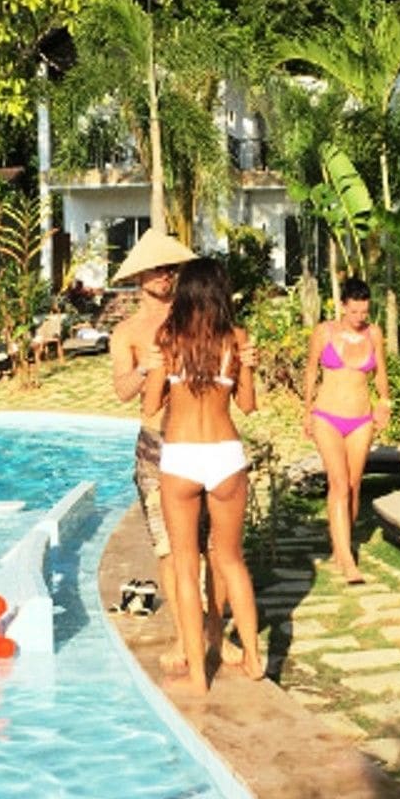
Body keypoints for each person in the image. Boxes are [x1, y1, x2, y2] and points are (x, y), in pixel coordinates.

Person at [142, 259, 267, 689]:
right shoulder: (237, 339)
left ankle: (198, 675)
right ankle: (253, 657)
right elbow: (248, 406)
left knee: (183, 565)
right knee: (231, 560)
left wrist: (155, 367)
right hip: (225, 455)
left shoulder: (169, 340)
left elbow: (149, 407)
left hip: (181, 457)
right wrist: (247, 365)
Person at [108, 229, 209, 643]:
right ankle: (187, 636)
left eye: (170, 268)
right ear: (140, 278)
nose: (166, 275)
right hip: (155, 444)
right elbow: (121, 391)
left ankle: (208, 624)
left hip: (198, 436)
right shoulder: (126, 333)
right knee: (167, 546)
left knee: (206, 544)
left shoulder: (193, 318)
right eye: (157, 269)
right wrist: (145, 368)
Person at [300, 278, 393, 584]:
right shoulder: (324, 332)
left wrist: (385, 403)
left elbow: (380, 373)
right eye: (354, 312)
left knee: (352, 486)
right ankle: (348, 560)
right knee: (338, 483)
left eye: (364, 312)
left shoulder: (374, 334)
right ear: (343, 306)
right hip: (327, 415)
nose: (359, 318)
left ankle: (341, 544)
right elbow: (312, 369)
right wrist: (307, 410)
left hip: (361, 420)